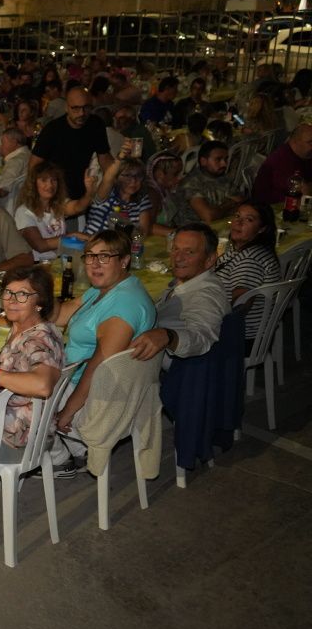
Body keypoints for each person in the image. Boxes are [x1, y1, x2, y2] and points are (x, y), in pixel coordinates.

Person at [51, 230, 156, 473]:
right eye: (90, 256)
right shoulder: (106, 289)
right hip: (80, 381)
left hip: (98, 399)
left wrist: (67, 412)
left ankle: (57, 458)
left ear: (124, 260)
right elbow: (62, 314)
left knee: (16, 386)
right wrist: (34, 296)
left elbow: (98, 367)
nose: (95, 264)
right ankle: (79, 450)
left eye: (104, 257)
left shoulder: (123, 306)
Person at [0, 266, 65, 448]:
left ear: (40, 302)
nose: (12, 300)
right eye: (8, 292)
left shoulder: (37, 340)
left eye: (22, 294)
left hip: (12, 437)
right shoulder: (22, 328)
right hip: (13, 422)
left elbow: (43, 385)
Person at [129, 223, 231, 367]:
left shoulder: (205, 295)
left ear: (209, 260)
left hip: (166, 371)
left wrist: (168, 336)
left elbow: (201, 338)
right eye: (175, 249)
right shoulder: (186, 282)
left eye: (189, 252)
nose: (178, 258)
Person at [31, 87, 113, 201]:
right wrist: (37, 194)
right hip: (55, 190)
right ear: (66, 108)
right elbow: (35, 164)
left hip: (82, 188)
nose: (82, 113)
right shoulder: (52, 130)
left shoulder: (96, 124)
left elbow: (105, 158)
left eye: (86, 107)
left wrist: (115, 179)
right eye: (76, 108)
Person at [214, 202, 282, 340]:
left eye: (248, 219)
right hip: (244, 331)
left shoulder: (250, 259)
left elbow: (241, 302)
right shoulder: (242, 249)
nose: (238, 222)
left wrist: (211, 320)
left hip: (239, 336)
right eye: (237, 216)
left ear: (262, 229)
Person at [14, 162, 91, 261]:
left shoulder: (57, 205)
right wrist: (72, 236)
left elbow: (78, 207)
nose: (50, 185)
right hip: (39, 264)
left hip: (61, 260)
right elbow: (40, 246)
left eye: (53, 180)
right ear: (33, 184)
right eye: (44, 180)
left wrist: (89, 192)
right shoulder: (24, 212)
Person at [84, 149, 154, 236]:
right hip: (92, 242)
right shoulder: (106, 195)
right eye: (127, 175)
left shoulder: (142, 199)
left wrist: (128, 231)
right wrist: (120, 157)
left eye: (138, 176)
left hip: (123, 244)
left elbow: (142, 233)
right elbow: (107, 178)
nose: (133, 180)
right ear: (116, 178)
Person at [177, 140, 243, 224]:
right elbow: (208, 216)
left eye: (226, 159)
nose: (224, 164)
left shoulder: (222, 177)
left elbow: (241, 204)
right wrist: (229, 204)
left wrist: (219, 211)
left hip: (223, 224)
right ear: (203, 161)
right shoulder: (191, 182)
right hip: (196, 228)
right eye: (218, 159)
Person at [252, 123, 312, 204]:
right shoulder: (284, 161)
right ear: (295, 141)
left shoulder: (304, 155)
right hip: (273, 205)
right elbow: (302, 195)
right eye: (310, 142)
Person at [0, 127, 32, 213]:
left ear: (14, 143)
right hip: (24, 202)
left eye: (2, 142)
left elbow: (2, 192)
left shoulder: (15, 162)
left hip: (7, 206)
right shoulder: (29, 155)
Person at [145, 151, 186, 235]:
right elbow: (147, 226)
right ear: (160, 174)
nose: (180, 177)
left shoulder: (165, 190)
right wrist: (179, 233)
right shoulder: (151, 194)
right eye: (175, 174)